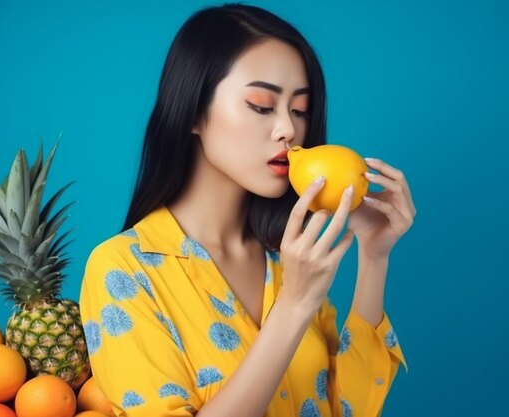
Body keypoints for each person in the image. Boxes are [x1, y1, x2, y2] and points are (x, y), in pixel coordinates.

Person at [79, 3, 416, 417]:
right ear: (193, 112)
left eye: (300, 110)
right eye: (261, 105)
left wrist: (373, 255)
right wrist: (292, 308)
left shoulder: (285, 260)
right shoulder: (124, 271)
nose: (288, 130)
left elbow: (349, 409)